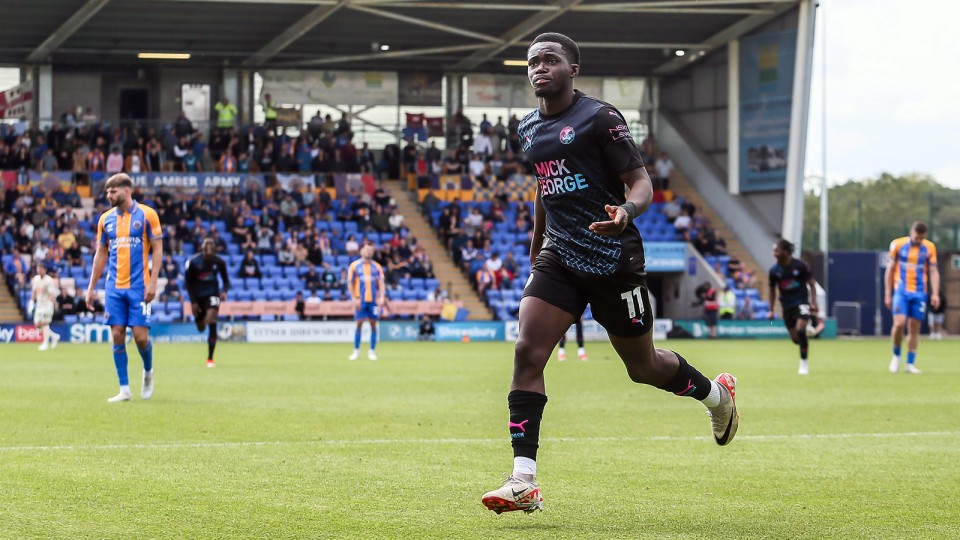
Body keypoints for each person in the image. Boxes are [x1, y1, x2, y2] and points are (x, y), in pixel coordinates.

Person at [480, 33, 739, 516]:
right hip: (559, 258)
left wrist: (626, 211)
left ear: (573, 69)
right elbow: (545, 186)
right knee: (527, 351)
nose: (540, 67)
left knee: (643, 369)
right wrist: (537, 248)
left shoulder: (601, 118)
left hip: (613, 259)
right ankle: (524, 479)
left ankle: (716, 395)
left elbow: (641, 181)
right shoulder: (528, 125)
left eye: (551, 60)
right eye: (533, 61)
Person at [86, 173, 162, 402]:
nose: (109, 195)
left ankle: (148, 372)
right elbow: (101, 253)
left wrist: (154, 281)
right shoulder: (105, 219)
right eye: (108, 192)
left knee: (140, 338)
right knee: (117, 334)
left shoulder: (148, 215)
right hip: (114, 288)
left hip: (139, 287)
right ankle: (124, 389)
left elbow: (158, 250)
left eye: (113, 191)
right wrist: (91, 287)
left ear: (127, 190)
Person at [885, 221, 939, 374]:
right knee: (899, 323)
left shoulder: (929, 248)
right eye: (917, 238)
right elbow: (890, 270)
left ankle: (910, 363)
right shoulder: (897, 245)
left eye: (922, 239)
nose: (919, 241)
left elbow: (934, 271)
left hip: (920, 292)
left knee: (914, 327)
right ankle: (896, 356)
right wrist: (888, 293)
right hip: (901, 291)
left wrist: (934, 293)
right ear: (911, 233)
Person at [767, 239, 818, 375]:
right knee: (796, 339)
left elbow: (812, 284)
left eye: (777, 251)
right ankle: (806, 328)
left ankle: (803, 364)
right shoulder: (774, 271)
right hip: (786, 306)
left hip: (801, 302)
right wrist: (771, 310)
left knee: (800, 330)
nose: (775, 253)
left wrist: (814, 303)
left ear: (786, 251)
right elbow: (772, 290)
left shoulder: (800, 266)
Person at [185, 237, 231, 368]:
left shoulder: (220, 262)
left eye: (211, 245)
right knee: (201, 327)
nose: (209, 247)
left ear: (215, 248)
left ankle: (210, 358)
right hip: (198, 296)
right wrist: (193, 301)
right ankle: (201, 319)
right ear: (202, 247)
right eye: (206, 245)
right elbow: (188, 283)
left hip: (213, 293)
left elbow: (226, 281)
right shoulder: (193, 262)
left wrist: (224, 291)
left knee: (212, 320)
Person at [346, 244, 385, 361]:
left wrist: (382, 297)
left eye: (370, 250)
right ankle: (356, 351)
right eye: (366, 249)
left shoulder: (377, 267)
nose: (368, 251)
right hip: (360, 300)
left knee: (374, 325)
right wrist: (354, 298)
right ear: (361, 251)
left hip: (373, 301)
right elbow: (350, 283)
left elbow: (381, 283)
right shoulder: (354, 266)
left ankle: (372, 351)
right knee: (359, 324)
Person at [30, 264, 61, 350]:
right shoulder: (36, 279)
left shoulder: (49, 280)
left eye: (40, 269)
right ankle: (54, 336)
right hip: (39, 305)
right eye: (38, 269)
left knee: (44, 323)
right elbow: (34, 291)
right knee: (37, 324)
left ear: (44, 269)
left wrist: (49, 305)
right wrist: (31, 302)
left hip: (47, 305)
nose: (39, 270)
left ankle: (45, 343)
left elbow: (51, 294)